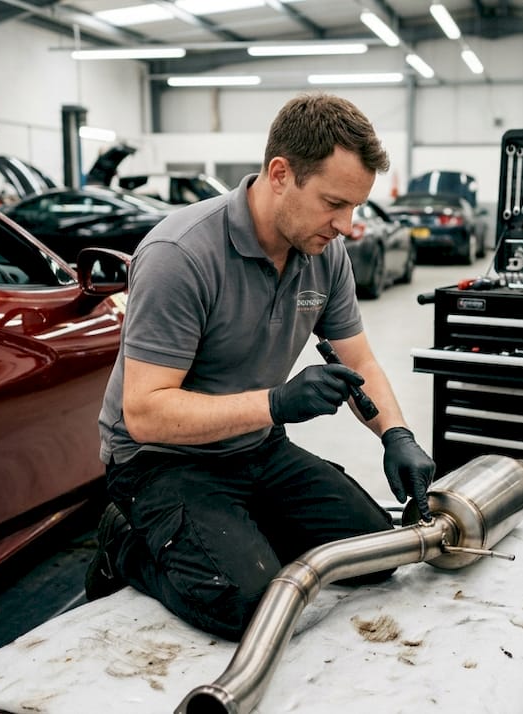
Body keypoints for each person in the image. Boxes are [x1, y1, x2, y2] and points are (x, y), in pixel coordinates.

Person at [86, 93, 437, 641]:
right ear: (280, 174)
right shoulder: (181, 255)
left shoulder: (324, 254)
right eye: (333, 203)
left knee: (375, 555)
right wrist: (276, 403)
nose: (345, 225)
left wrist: (397, 435)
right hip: (161, 462)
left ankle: (235, 531)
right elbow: (145, 414)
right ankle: (125, 544)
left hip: (255, 447)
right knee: (254, 607)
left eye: (355, 208)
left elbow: (359, 357)